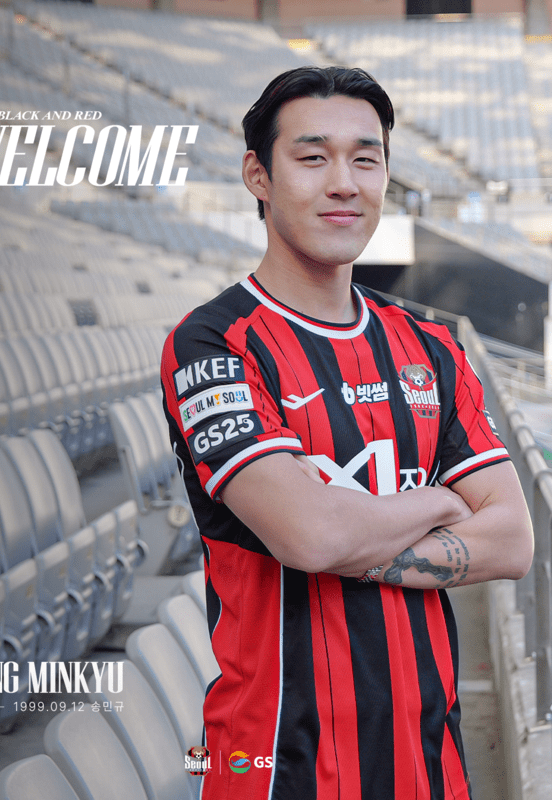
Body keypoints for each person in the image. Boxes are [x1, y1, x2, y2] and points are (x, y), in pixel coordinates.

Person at [160, 65, 533, 800]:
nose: (344, 184)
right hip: (275, 763)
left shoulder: (430, 347)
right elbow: (311, 538)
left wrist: (342, 528)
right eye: (312, 157)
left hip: (429, 760)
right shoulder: (213, 343)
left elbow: (513, 541)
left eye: (366, 159)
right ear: (258, 176)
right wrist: (439, 499)